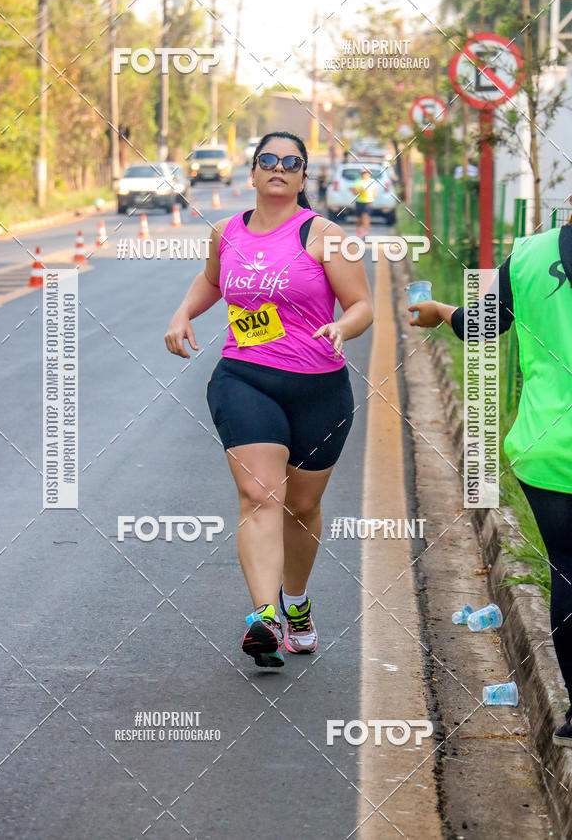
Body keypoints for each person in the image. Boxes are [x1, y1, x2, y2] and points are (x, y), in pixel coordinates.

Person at [165, 131, 374, 668]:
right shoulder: (226, 232)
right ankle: (262, 617)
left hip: (319, 388)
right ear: (253, 173)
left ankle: (296, 604)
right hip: (245, 377)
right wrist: (184, 312)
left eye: (292, 162)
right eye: (268, 161)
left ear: (304, 178)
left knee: (302, 507)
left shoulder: (325, 235)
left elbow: (361, 304)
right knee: (261, 497)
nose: (279, 168)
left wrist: (341, 327)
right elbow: (211, 281)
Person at [408, 222, 572, 747]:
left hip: (547, 449)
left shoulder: (529, 255)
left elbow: (479, 324)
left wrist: (439, 312)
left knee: (566, 573)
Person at [352, 168, 376, 237]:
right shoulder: (358, 181)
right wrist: (361, 191)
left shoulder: (372, 181)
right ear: (361, 174)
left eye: (367, 173)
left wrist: (373, 196)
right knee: (359, 219)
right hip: (359, 202)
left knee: (366, 217)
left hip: (368, 202)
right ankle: (358, 230)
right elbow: (354, 191)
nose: (365, 174)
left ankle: (366, 233)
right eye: (364, 173)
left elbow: (375, 191)